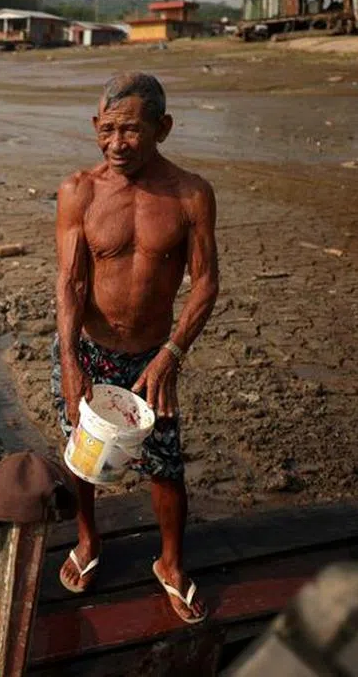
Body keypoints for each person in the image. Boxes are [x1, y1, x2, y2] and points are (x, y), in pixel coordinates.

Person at [52, 72, 219, 623]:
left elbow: (206, 282)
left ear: (162, 128)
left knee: (165, 466)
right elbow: (71, 283)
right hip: (92, 349)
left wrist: (172, 353)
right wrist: (71, 361)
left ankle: (170, 564)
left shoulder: (190, 194)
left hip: (153, 356)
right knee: (84, 456)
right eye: (106, 130)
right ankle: (88, 540)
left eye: (131, 131)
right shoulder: (80, 190)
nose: (116, 144)